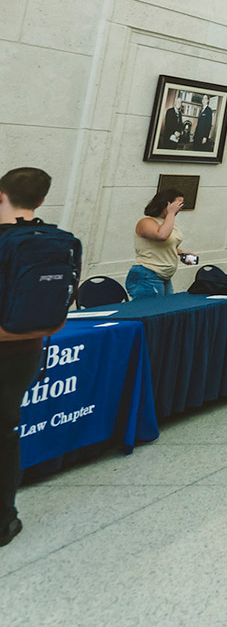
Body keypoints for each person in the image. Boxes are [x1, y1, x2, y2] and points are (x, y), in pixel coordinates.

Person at [1, 167, 72, 548]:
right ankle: (4, 520)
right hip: (27, 351)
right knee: (5, 431)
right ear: (42, 200)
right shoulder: (55, 241)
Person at [129, 188, 187, 298]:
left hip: (164, 275)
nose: (180, 208)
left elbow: (162, 246)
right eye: (177, 204)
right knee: (151, 307)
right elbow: (162, 236)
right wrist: (171, 213)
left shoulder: (167, 222)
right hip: (148, 274)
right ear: (166, 204)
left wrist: (180, 252)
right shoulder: (146, 222)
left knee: (167, 306)